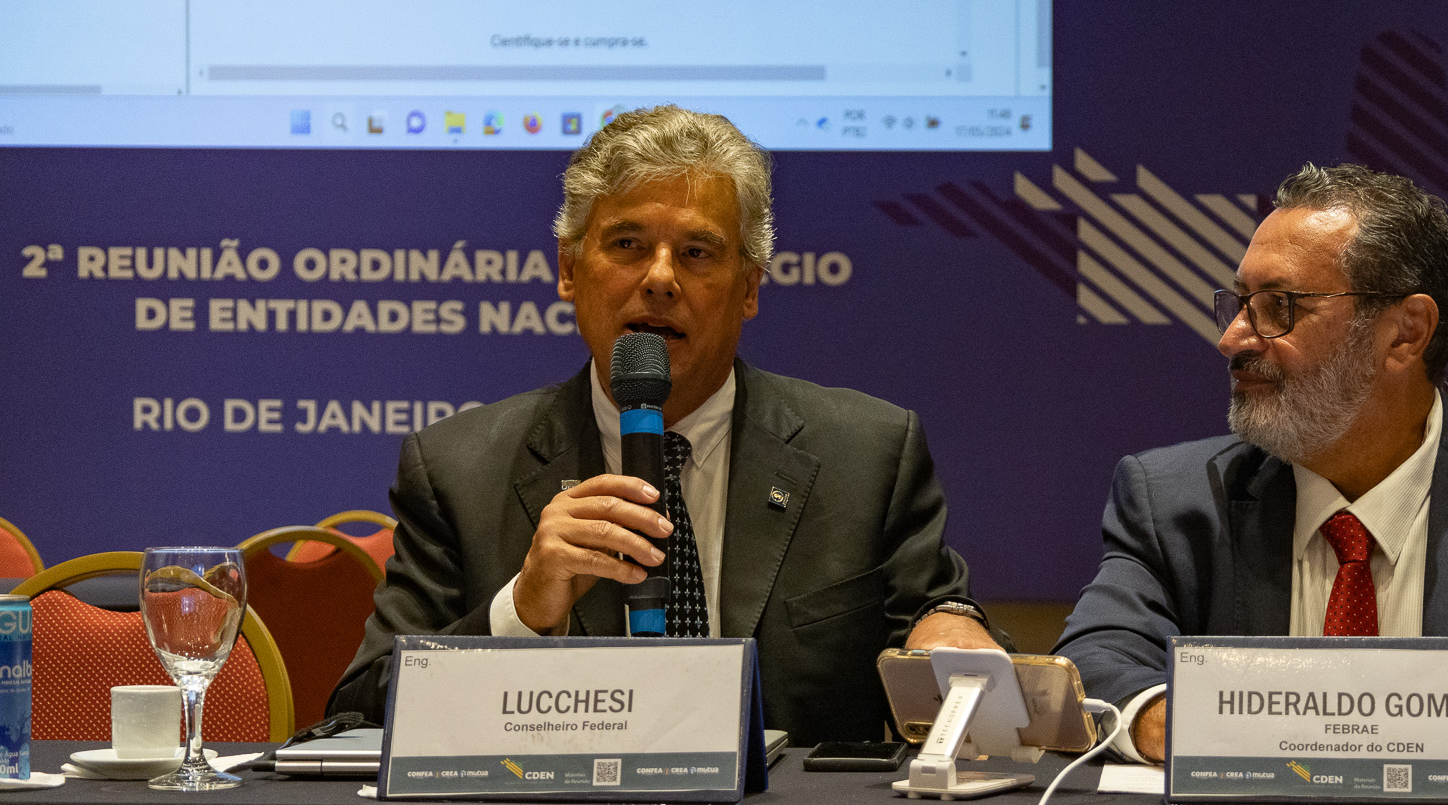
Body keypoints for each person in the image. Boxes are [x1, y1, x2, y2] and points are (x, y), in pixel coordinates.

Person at [329, 106, 1002, 744]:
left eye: (698, 253)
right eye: (627, 244)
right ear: (569, 269)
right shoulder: (458, 470)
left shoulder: (868, 455)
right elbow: (360, 715)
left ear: (749, 287)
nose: (659, 278)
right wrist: (521, 614)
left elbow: (941, 636)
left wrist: (950, 634)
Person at [1053, 162, 1448, 765]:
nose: (1232, 338)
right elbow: (1092, 659)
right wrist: (1167, 718)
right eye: (1239, 304)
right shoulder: (1175, 499)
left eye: (1279, 306)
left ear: (1406, 331)